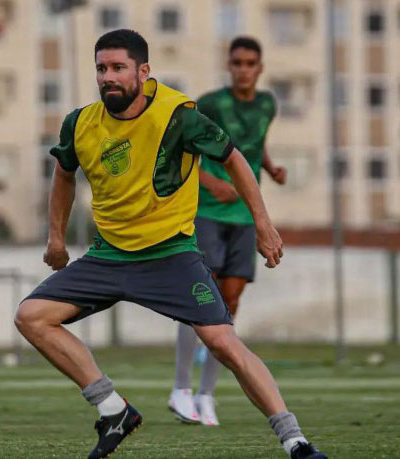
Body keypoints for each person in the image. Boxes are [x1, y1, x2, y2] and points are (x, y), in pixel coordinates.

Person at [15, 29, 326, 459]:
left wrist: (263, 225)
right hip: (108, 256)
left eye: (119, 68)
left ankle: (296, 441)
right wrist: (55, 237)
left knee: (222, 342)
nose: (109, 77)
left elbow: (233, 158)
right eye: (102, 69)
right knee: (32, 316)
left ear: (143, 71)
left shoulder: (178, 114)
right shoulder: (80, 122)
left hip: (170, 256)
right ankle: (113, 410)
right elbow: (64, 173)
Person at [169, 36, 287, 428]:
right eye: (237, 62)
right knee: (203, 297)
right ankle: (182, 388)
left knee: (229, 304)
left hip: (244, 215)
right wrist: (207, 180)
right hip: (207, 212)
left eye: (250, 62)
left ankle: (207, 395)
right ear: (229, 65)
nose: (243, 69)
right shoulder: (211, 103)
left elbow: (254, 143)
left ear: (260, 68)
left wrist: (269, 168)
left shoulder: (268, 104)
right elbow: (180, 147)